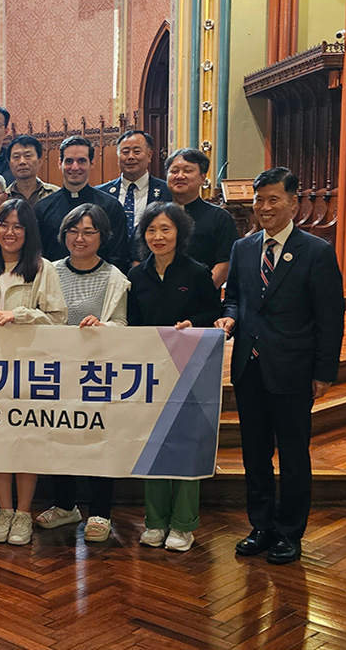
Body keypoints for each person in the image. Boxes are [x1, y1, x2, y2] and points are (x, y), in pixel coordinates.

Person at [217, 168, 344, 565]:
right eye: (259, 199)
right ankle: (261, 525)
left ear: (293, 203)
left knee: (292, 455)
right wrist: (230, 317)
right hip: (249, 367)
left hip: (292, 370)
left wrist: (324, 372)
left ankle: (290, 531)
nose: (264, 207)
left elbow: (330, 318)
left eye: (274, 199)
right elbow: (234, 297)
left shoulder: (317, 251)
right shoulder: (245, 248)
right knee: (254, 454)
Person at [127, 202, 221, 552]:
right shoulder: (137, 276)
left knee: (185, 445)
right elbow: (132, 323)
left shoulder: (197, 272)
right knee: (154, 444)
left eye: (165, 229)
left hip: (190, 370)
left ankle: (183, 524)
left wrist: (191, 325)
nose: (158, 236)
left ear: (179, 233)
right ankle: (155, 521)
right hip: (150, 373)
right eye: (151, 230)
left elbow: (215, 311)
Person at [0, 199, 67, 546]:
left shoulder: (44, 270)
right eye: (3, 225)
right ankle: (4, 510)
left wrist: (22, 314)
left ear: (28, 232)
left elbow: (59, 319)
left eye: (17, 226)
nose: (9, 232)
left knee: (25, 442)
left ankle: (24, 512)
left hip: (31, 369)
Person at [37, 204, 128, 543]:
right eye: (73, 231)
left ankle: (101, 511)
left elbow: (122, 324)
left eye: (89, 232)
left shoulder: (115, 277)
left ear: (102, 237)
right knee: (59, 438)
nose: (80, 238)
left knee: (98, 439)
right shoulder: (49, 271)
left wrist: (102, 326)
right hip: (57, 369)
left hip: (97, 372)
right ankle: (65, 505)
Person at [34, 136, 129, 273]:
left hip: (99, 285)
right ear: (60, 163)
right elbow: (37, 256)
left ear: (92, 163)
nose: (75, 167)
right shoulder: (42, 208)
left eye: (82, 161)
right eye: (69, 161)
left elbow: (118, 257)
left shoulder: (111, 207)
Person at [165, 147, 239, 288]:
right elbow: (139, 257)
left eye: (187, 171)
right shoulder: (155, 215)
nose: (180, 176)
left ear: (202, 177)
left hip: (202, 301)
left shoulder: (219, 217)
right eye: (174, 171)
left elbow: (224, 264)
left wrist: (201, 293)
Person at [97, 130, 168, 236]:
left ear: (149, 156)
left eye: (137, 152)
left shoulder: (167, 191)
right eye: (125, 152)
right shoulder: (101, 193)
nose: (130, 157)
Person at [6, 134, 58, 206]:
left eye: (28, 156)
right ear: (9, 164)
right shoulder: (3, 197)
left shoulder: (55, 194)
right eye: (16, 157)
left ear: (39, 161)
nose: (22, 162)